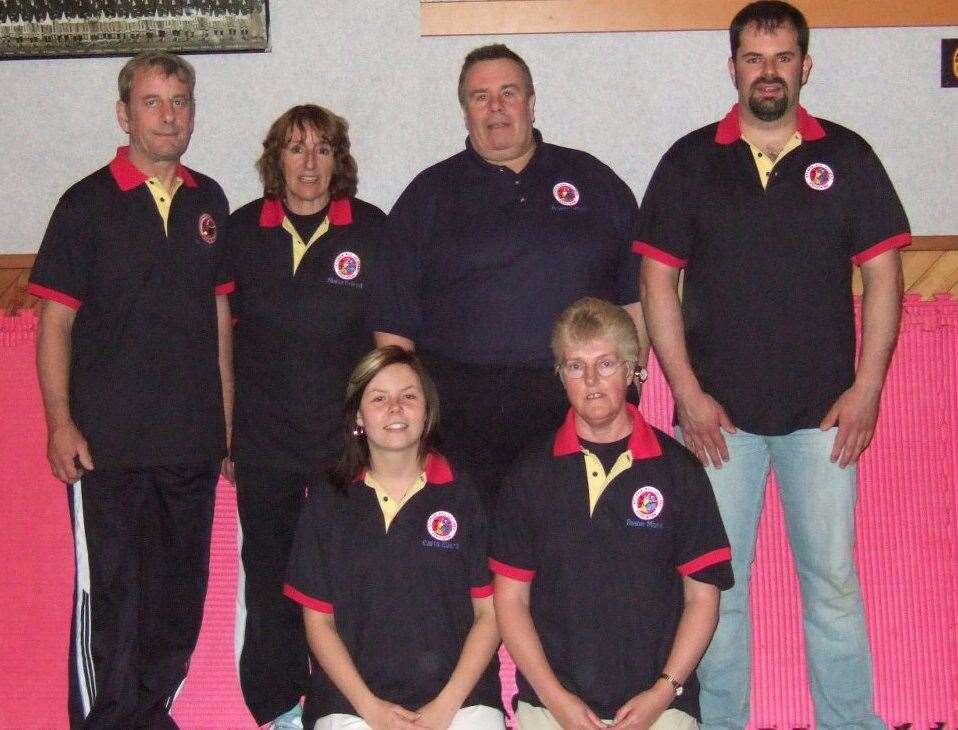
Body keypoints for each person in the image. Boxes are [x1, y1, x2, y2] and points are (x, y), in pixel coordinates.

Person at [636, 2, 909, 727]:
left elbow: (885, 275)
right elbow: (656, 281)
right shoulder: (690, 160)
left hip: (825, 418)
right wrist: (687, 394)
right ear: (733, 68)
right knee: (718, 590)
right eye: (754, 59)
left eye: (782, 58)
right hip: (716, 422)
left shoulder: (847, 156)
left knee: (834, 586)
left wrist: (869, 389)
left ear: (804, 67)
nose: (768, 72)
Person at [28, 51, 232, 728]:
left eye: (179, 102)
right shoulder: (86, 204)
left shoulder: (210, 202)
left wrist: (224, 427)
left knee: (179, 600)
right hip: (106, 449)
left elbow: (219, 322)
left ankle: (149, 714)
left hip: (191, 446)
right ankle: (103, 720)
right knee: (110, 601)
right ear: (124, 113)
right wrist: (60, 422)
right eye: (153, 102)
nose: (169, 116)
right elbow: (55, 322)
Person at [372, 43, 647, 510]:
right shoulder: (429, 196)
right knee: (473, 559)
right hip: (462, 418)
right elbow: (392, 325)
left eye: (508, 92)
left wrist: (631, 382)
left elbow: (636, 295)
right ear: (464, 112)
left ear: (531, 102)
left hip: (574, 403)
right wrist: (409, 414)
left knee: (570, 549)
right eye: (480, 97)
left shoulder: (592, 180)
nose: (495, 107)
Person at [491, 297, 733, 729]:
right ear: (560, 376)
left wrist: (663, 692)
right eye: (575, 366)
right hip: (550, 707)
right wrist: (556, 700)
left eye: (605, 364)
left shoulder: (679, 471)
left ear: (632, 370)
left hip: (661, 709)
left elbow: (703, 598)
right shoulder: (529, 474)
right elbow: (510, 600)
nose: (590, 380)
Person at [225, 104, 388, 730]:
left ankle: (350, 705)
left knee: (349, 580)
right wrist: (227, 433)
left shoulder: (371, 231)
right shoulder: (242, 233)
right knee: (270, 582)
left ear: (338, 160)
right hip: (264, 444)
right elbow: (219, 341)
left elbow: (390, 346)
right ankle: (276, 709)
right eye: (296, 149)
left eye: (323, 149)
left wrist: (385, 440)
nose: (310, 163)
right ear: (276, 160)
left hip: (344, 445)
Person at [283, 346, 503, 730]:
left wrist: (444, 707)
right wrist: (371, 709)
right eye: (379, 398)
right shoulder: (327, 502)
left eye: (409, 396)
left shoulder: (467, 495)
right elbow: (319, 624)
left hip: (461, 704)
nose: (395, 408)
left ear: (428, 411)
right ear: (358, 417)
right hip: (351, 706)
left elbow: (491, 613)